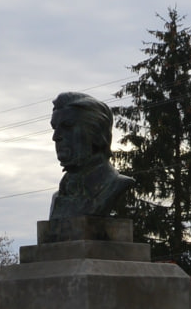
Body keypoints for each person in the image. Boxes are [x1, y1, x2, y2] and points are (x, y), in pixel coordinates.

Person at [49, 91, 135, 220]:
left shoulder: (114, 186)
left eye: (67, 126)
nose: (55, 137)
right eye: (55, 128)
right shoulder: (59, 196)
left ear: (97, 134)